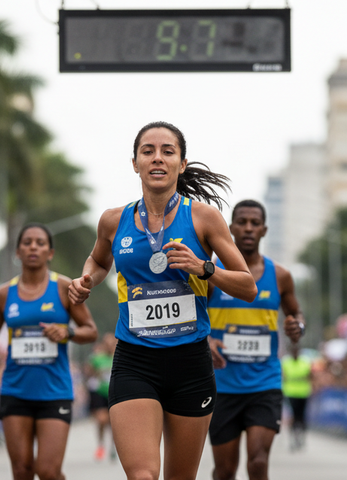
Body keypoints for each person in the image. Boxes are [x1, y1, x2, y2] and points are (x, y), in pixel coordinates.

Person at [68, 121, 258, 480]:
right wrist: (86, 279)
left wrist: (203, 268)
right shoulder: (113, 220)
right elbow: (98, 260)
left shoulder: (203, 218)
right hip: (135, 360)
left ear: (181, 164)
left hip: (190, 363)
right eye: (148, 151)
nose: (157, 158)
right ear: (135, 163)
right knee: (142, 475)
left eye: (167, 151)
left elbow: (247, 286)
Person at [0, 223, 98, 480]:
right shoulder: (2, 295)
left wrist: (68, 332)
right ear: (17, 252)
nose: (33, 247)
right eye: (27, 242)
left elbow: (90, 330)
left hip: (54, 392)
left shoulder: (64, 288)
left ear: (50, 253)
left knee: (48, 472)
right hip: (15, 391)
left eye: (40, 243)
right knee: (21, 471)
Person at [207, 199, 304, 480]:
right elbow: (194, 318)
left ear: (264, 230)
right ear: (230, 228)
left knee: (258, 462)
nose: (248, 228)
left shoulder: (281, 276)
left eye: (255, 223)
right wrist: (207, 342)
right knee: (224, 470)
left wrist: (297, 325)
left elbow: (296, 313)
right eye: (242, 222)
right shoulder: (213, 274)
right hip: (222, 385)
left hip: (264, 383)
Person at [85, 332, 117, 461]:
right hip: (100, 393)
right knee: (102, 420)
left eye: (112, 343)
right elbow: (89, 372)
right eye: (107, 344)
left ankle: (113, 446)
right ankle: (101, 444)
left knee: (114, 423)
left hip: (115, 393)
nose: (109, 346)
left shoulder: (119, 357)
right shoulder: (97, 358)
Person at [281, 342, 312, 451]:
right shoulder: (286, 362)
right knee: (292, 417)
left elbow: (310, 376)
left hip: (303, 393)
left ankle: (302, 438)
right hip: (290, 393)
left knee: (302, 417)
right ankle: (293, 439)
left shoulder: (305, 362)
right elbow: (283, 376)